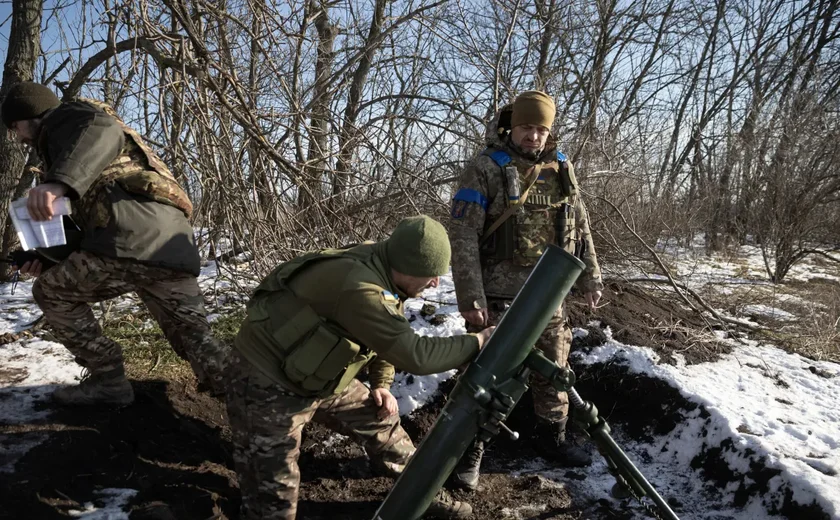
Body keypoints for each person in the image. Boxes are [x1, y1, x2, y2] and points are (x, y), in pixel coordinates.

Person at [225, 215, 493, 519]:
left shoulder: (384, 266)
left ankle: (423, 492)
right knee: (273, 502)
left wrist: (381, 383)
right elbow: (416, 355)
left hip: (321, 373)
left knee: (383, 424)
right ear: (405, 266)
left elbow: (386, 330)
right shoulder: (361, 286)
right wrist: (478, 342)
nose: (435, 283)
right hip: (267, 382)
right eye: (429, 275)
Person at [1, 81, 228, 405]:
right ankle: (259, 403)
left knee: (50, 292)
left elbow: (102, 126)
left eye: (15, 126)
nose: (18, 136)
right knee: (195, 338)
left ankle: (108, 380)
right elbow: (85, 237)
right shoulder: (71, 152)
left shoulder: (69, 117)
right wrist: (45, 261)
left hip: (128, 244)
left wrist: (57, 184)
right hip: (171, 248)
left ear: (32, 114)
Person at [448, 91, 604, 490]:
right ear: (510, 126)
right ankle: (466, 456)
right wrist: (471, 297)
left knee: (554, 373)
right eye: (526, 127)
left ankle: (551, 441)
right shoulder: (484, 168)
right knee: (485, 379)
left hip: (551, 296)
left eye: (541, 128)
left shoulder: (562, 167)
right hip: (499, 300)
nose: (533, 136)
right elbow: (463, 234)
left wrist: (591, 277)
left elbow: (579, 224)